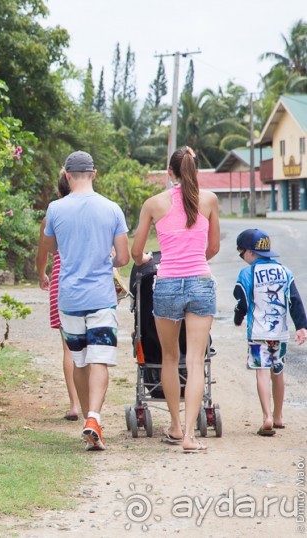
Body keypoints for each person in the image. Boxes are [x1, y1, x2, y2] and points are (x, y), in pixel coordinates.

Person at [131, 146, 220, 454]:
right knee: (195, 360)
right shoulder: (209, 200)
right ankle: (190, 437)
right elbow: (213, 248)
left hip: (167, 283)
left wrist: (145, 258)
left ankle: (175, 426)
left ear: (169, 172)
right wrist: (196, 260)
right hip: (200, 282)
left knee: (171, 357)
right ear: (195, 171)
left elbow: (137, 254)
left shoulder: (154, 204)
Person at [44, 151, 129, 451]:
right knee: (99, 359)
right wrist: (108, 260)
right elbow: (123, 257)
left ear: (67, 175)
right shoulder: (112, 209)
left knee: (79, 360)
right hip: (101, 297)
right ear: (94, 174)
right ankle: (94, 417)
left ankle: (87, 422)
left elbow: (51, 250)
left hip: (69, 298)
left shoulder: (55, 209)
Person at [233, 229, 307, 436]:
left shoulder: (247, 273)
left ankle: (266, 417)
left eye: (241, 253)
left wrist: (238, 318)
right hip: (279, 334)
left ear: (248, 252)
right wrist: (302, 326)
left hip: (258, 332)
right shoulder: (285, 271)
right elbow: (295, 301)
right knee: (278, 372)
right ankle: (278, 416)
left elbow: (242, 301)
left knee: (262, 372)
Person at [36, 168, 81, 422]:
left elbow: (43, 253)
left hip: (61, 283)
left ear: (58, 190)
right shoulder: (87, 210)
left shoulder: (52, 213)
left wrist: (42, 274)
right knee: (87, 346)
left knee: (68, 348)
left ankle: (74, 404)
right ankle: (90, 405)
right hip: (87, 282)